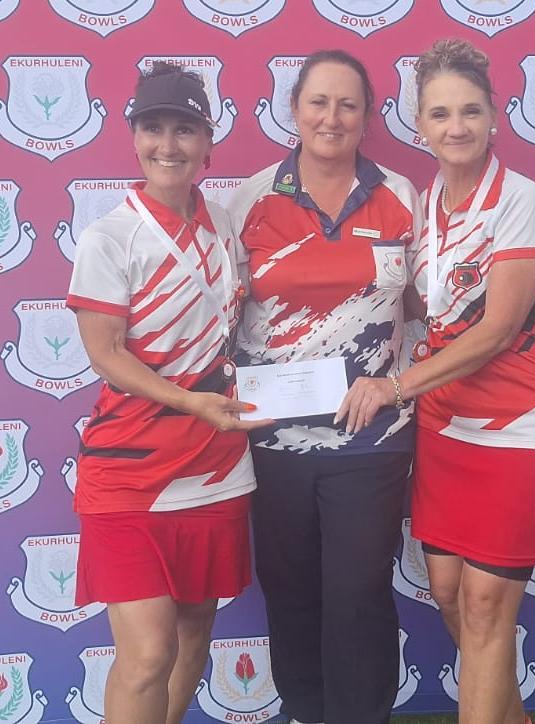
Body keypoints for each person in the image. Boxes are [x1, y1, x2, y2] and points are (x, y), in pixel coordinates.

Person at [337, 39, 535, 724]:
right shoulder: (423, 208)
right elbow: (421, 305)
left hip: (523, 421)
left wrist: (394, 387)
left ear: (494, 116)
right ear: (419, 124)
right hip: (448, 426)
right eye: (440, 114)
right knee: (448, 592)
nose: (456, 127)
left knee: (483, 606)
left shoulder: (522, 200)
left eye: (470, 111)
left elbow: (497, 329)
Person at [67, 61, 270, 724]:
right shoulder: (109, 237)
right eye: (152, 128)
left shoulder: (226, 227)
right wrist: (188, 402)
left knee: (192, 632)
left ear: (208, 142)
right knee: (148, 654)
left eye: (184, 129)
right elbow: (105, 354)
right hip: (129, 470)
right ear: (133, 138)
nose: (167, 145)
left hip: (215, 467)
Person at [227, 50, 421, 724]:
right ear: (294, 109)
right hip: (273, 438)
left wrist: (401, 381)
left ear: (367, 116)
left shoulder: (401, 195)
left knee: (358, 592)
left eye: (347, 104)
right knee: (290, 591)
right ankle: (306, 712)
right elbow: (223, 311)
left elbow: (424, 309)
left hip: (372, 436)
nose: (331, 117)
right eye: (318, 101)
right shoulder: (251, 198)